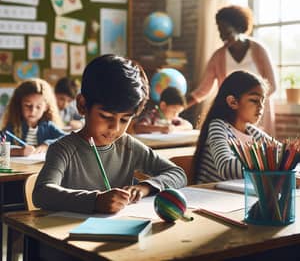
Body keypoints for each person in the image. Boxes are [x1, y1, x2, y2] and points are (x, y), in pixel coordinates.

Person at [33, 54, 187, 214]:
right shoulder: (64, 149)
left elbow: (178, 174)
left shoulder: (128, 146)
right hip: (69, 234)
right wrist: (95, 201)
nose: (114, 128)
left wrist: (144, 187)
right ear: (82, 105)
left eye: (124, 119)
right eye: (106, 117)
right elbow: (41, 193)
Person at [187, 5, 276, 135]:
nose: (222, 36)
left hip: (258, 117)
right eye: (220, 32)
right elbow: (203, 89)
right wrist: (180, 104)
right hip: (231, 117)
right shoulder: (218, 56)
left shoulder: (258, 51)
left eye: (227, 32)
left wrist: (250, 102)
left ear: (239, 28)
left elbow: (272, 86)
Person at [194, 70, 273, 184]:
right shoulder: (218, 126)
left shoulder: (252, 132)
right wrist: (270, 159)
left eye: (263, 101)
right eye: (254, 100)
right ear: (233, 102)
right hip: (213, 196)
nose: (261, 107)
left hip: (239, 194)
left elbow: (281, 153)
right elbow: (226, 168)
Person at [0, 78, 66, 156]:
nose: (33, 111)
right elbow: (1, 149)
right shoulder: (12, 127)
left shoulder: (48, 126)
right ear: (19, 104)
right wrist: (20, 152)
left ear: (46, 107)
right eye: (28, 105)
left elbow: (66, 138)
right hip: (18, 167)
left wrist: (46, 145)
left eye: (38, 107)